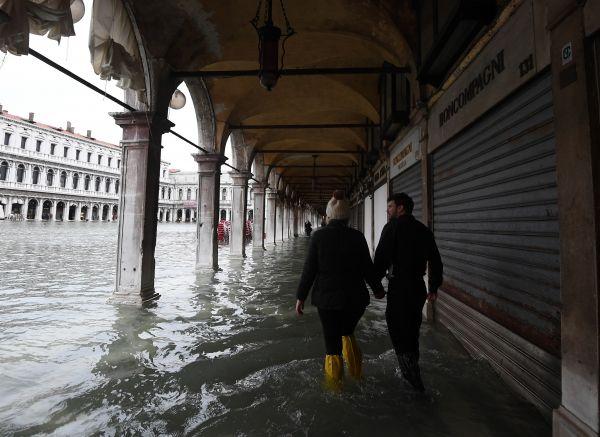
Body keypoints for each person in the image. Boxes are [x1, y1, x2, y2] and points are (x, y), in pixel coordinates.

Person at [296, 191, 385, 388]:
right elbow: (367, 268)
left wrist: (300, 297)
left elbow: (309, 270)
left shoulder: (318, 237)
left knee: (331, 343)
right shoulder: (358, 237)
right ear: (347, 216)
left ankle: (335, 389)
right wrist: (378, 289)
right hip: (355, 299)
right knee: (348, 332)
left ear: (329, 215)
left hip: (327, 300)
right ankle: (357, 375)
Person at [374, 192, 443, 392]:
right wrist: (433, 287)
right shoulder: (423, 230)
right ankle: (412, 367)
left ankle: (413, 379)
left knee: (396, 328)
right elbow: (436, 260)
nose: (387, 210)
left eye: (390, 206)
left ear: (400, 207)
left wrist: (376, 287)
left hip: (399, 288)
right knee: (412, 330)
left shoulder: (392, 228)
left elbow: (380, 261)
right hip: (418, 288)